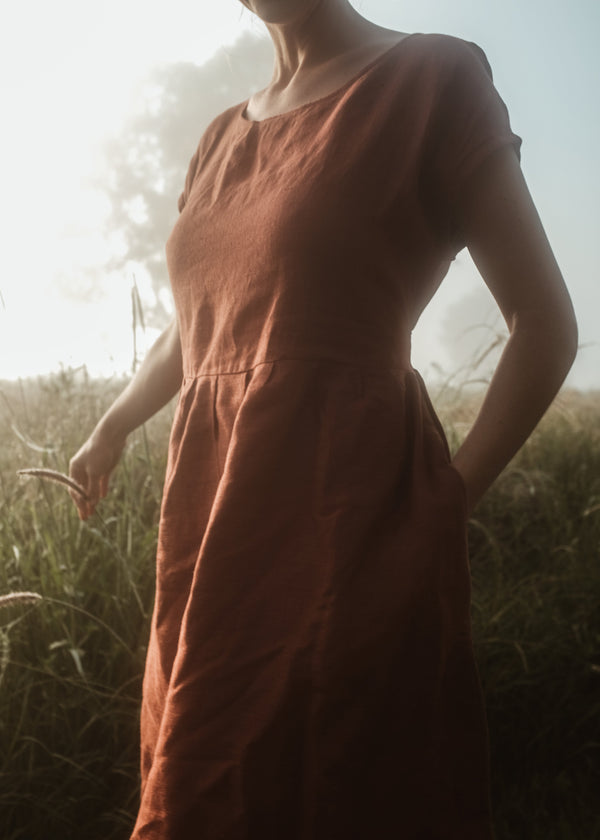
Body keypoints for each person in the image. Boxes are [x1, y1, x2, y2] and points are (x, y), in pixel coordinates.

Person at [69, 1, 578, 837]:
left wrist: (447, 502)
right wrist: (114, 425)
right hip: (208, 525)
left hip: (343, 523)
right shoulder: (219, 139)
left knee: (321, 785)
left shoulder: (432, 80)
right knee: (198, 778)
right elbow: (196, 322)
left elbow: (544, 323)